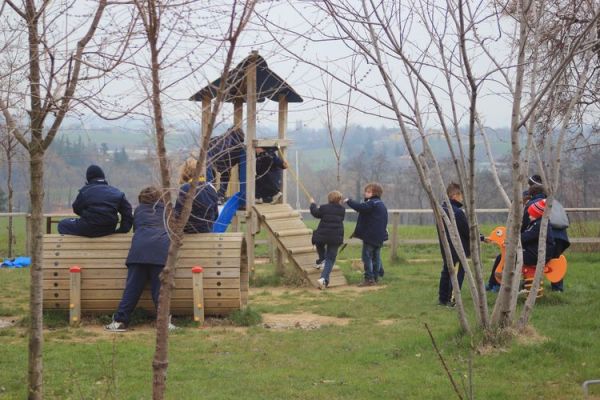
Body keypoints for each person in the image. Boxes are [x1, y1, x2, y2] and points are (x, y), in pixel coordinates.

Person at [105, 186, 175, 332]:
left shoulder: (138, 210)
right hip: (160, 252)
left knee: (132, 289)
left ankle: (120, 321)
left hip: (139, 251)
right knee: (159, 291)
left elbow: (135, 228)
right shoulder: (167, 210)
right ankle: (163, 323)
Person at [58, 165, 133, 237]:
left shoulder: (85, 191)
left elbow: (76, 209)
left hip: (87, 228)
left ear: (88, 178)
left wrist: (87, 215)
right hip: (109, 229)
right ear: (103, 177)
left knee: (62, 224)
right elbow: (127, 211)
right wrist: (122, 230)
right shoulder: (117, 193)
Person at [344, 183, 388, 286]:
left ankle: (369, 279)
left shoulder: (372, 203)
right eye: (366, 191)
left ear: (374, 193)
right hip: (379, 236)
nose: (365, 193)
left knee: (366, 257)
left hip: (370, 236)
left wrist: (348, 201)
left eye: (368, 192)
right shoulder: (381, 204)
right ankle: (375, 278)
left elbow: (359, 207)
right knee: (376, 258)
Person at [437, 183, 470, 307]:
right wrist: (480, 237)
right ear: (455, 195)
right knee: (456, 274)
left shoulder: (441, 210)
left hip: (446, 248)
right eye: (461, 195)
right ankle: (451, 300)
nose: (462, 198)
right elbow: (467, 231)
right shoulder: (457, 212)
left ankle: (442, 298)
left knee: (446, 271)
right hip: (457, 249)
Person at [309, 191, 345, 289]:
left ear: (329, 199)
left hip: (322, 235)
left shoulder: (324, 208)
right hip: (335, 237)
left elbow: (315, 213)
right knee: (330, 259)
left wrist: (312, 204)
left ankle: (322, 260)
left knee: (319, 243)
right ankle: (323, 278)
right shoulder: (342, 210)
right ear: (339, 200)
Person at [175, 158, 219, 233]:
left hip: (189, 232)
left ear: (185, 172)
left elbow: (177, 214)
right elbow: (215, 216)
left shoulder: (186, 188)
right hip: (207, 231)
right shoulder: (211, 188)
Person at [208, 128, 245, 204]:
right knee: (225, 175)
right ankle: (220, 195)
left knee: (210, 176)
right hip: (226, 162)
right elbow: (242, 173)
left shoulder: (217, 140)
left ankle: (211, 196)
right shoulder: (240, 148)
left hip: (213, 157)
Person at [522, 199, 555, 267]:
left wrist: (512, 238)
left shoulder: (539, 225)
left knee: (509, 256)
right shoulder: (539, 223)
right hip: (537, 253)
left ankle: (503, 275)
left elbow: (524, 238)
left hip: (537, 256)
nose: (529, 216)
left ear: (537, 215)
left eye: (531, 214)